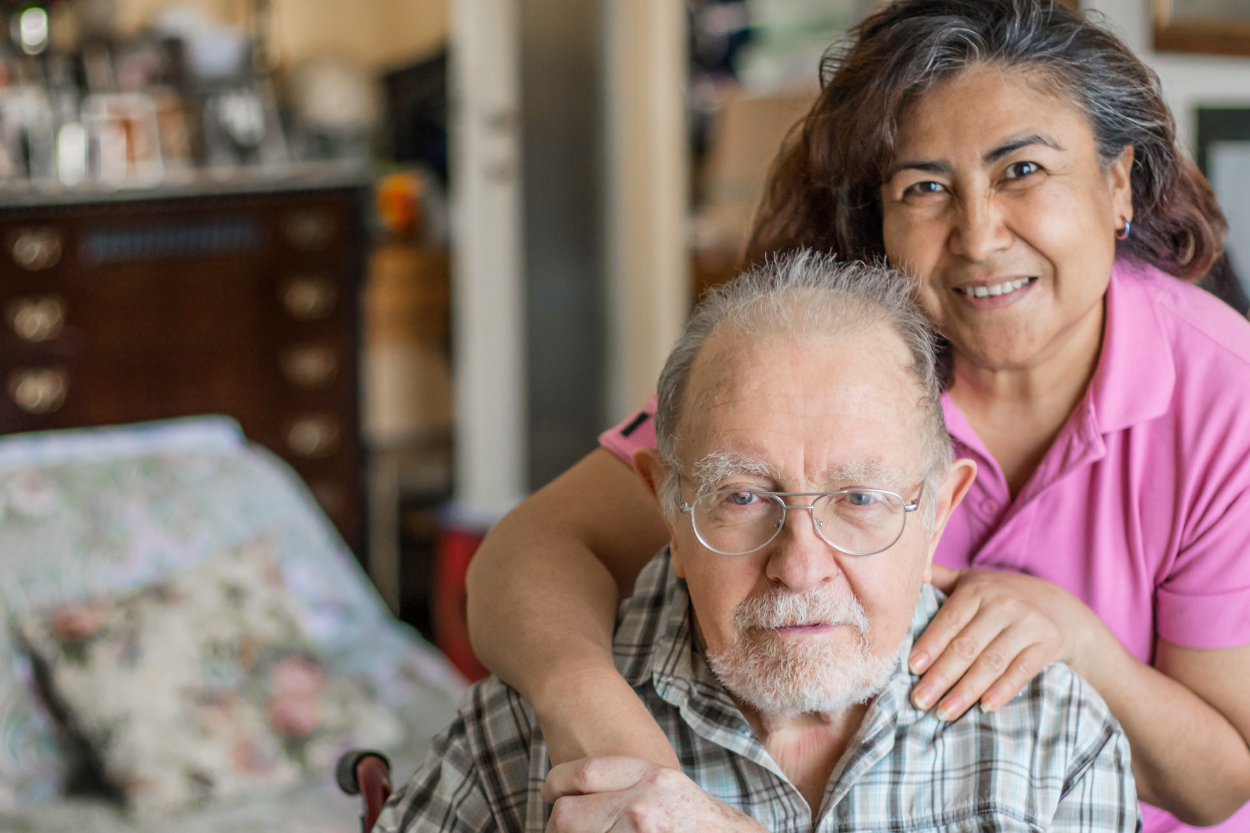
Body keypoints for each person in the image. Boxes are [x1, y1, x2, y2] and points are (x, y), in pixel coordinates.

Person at [464, 2, 1250, 832]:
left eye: (1022, 171)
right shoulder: (821, 364)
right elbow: (521, 556)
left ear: (1117, 183)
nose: (979, 236)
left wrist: (1075, 641)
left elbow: (1222, 783)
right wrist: (612, 735)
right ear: (877, 218)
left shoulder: (1223, 393)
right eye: (925, 188)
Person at [381, 255, 1138, 833]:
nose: (801, 565)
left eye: (860, 499)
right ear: (668, 507)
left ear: (938, 510)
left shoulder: (1051, 736)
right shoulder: (528, 727)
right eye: (742, 497)